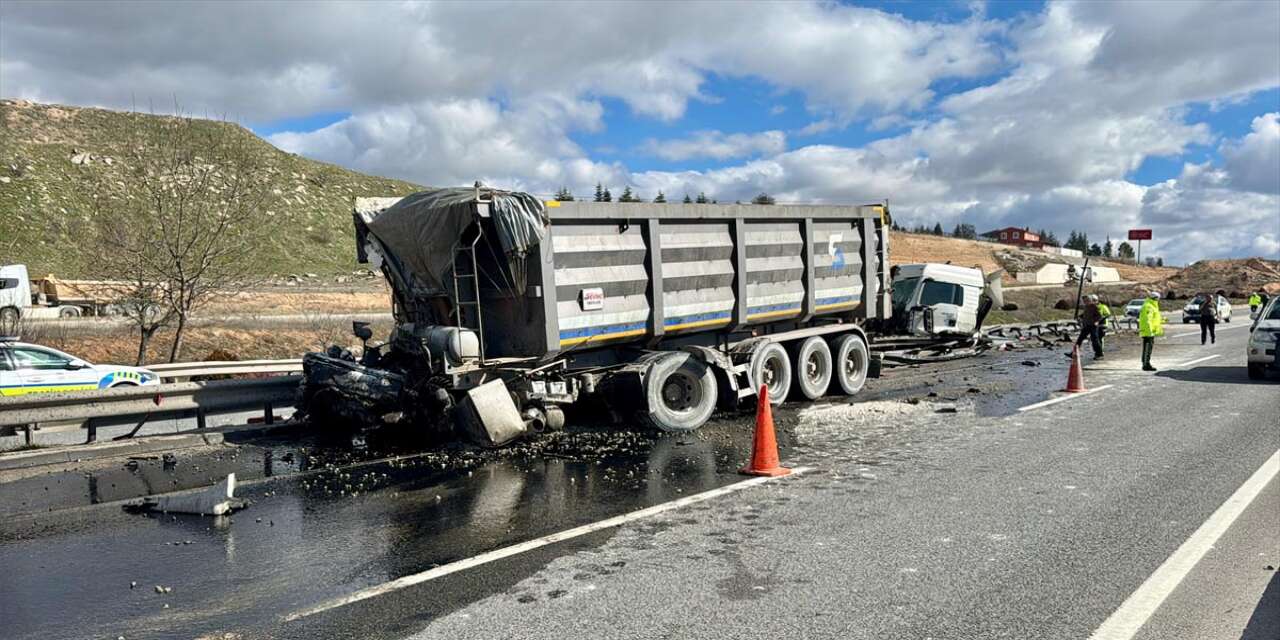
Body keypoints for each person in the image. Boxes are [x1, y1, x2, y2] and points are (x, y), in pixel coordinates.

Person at [1139, 291, 1164, 372]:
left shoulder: (1152, 306)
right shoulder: (1149, 306)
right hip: (1148, 331)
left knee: (1148, 348)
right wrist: (1149, 330)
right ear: (1155, 298)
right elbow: (1147, 319)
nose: (1158, 300)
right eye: (1158, 298)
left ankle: (1146, 363)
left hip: (1150, 331)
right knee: (1147, 348)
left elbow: (1154, 318)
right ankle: (1146, 364)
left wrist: (1163, 320)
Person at [1074, 294, 1104, 358]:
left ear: (1090, 300)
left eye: (1087, 301)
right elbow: (1086, 314)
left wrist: (1096, 321)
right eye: (1084, 301)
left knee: (1095, 340)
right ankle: (1074, 352)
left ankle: (1099, 354)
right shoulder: (1086, 307)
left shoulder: (1094, 306)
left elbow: (1100, 316)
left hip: (1093, 326)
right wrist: (1079, 316)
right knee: (1080, 339)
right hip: (1086, 325)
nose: (1085, 302)